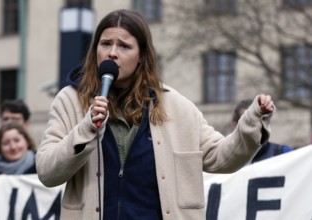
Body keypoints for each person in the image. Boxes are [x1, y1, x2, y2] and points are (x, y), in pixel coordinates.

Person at [36, 9, 275, 220]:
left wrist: (253, 121)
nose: (112, 53)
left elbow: (222, 156)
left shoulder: (176, 106)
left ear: (141, 56)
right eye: (105, 43)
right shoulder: (70, 100)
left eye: (124, 46)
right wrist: (85, 128)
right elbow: (47, 172)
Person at [232, 99, 293, 163]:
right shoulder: (227, 160)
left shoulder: (283, 153)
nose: (256, 125)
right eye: (249, 121)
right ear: (236, 125)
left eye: (261, 119)